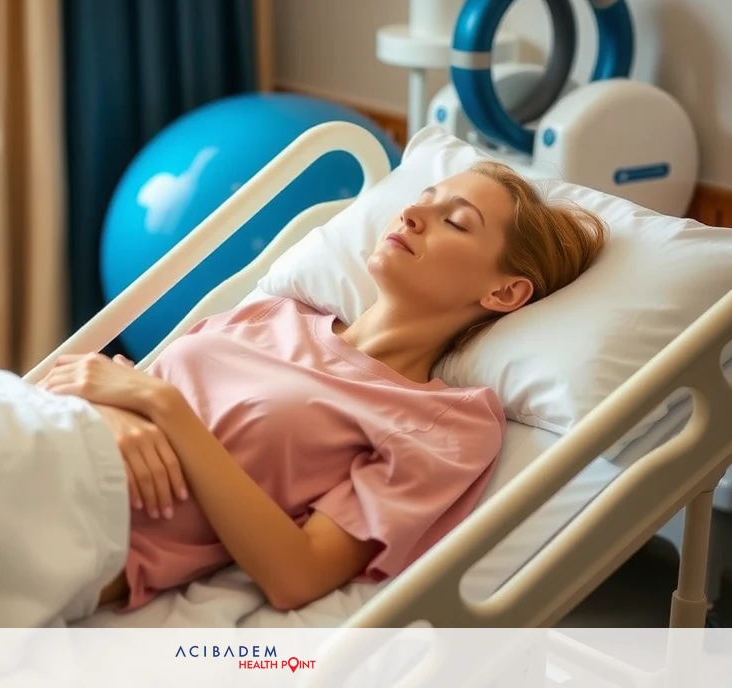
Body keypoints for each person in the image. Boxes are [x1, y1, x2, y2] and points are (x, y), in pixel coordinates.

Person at [39, 160, 608, 616]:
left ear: (505, 294)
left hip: (67, 531)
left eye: (455, 222)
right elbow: (81, 382)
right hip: (35, 432)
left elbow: (298, 575)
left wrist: (158, 407)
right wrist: (119, 411)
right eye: (424, 199)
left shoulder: (443, 422)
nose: (411, 214)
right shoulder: (271, 315)